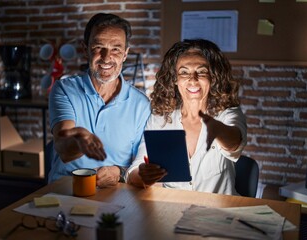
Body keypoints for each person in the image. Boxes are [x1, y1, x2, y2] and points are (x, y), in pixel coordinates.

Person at [126, 39, 247, 195]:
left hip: (217, 213)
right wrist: (143, 176)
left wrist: (217, 129)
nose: (193, 79)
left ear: (213, 77)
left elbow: (234, 144)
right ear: (175, 79)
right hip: (173, 210)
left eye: (202, 71)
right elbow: (134, 171)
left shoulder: (227, 114)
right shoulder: (160, 119)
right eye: (184, 72)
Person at [48, 13, 151, 187]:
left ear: (125, 54)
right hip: (66, 192)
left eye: (116, 49)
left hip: (118, 195)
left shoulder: (141, 104)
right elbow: (63, 149)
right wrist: (80, 142)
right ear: (85, 49)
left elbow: (140, 164)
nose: (106, 57)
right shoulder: (64, 90)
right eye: (98, 47)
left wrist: (119, 172)